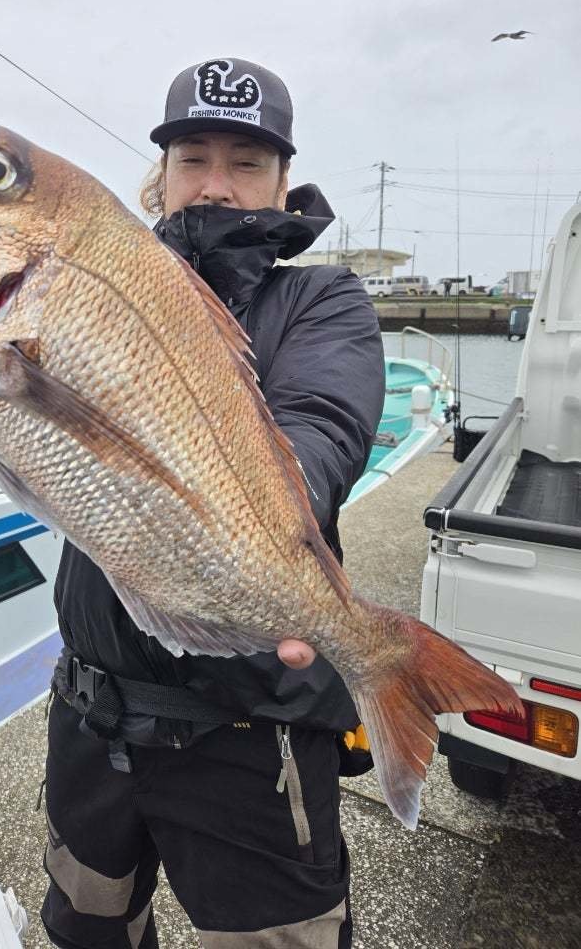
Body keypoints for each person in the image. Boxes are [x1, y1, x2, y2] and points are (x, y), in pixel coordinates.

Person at [40, 58, 385, 949]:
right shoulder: (89, 288)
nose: (217, 185)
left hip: (252, 734)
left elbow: (325, 425)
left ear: (283, 180)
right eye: (193, 158)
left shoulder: (322, 299)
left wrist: (253, 541)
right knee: (87, 924)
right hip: (91, 719)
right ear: (160, 175)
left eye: (246, 162)